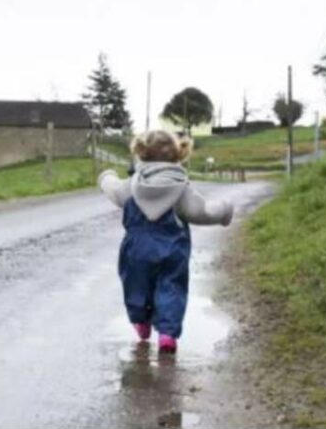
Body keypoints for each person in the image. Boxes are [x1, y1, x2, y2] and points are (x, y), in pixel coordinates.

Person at [98, 129, 234, 353]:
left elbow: (114, 192)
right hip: (173, 249)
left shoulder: (132, 185)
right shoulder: (181, 187)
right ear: (179, 154)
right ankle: (167, 335)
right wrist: (224, 210)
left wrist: (106, 177)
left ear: (141, 152)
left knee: (136, 285)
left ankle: (141, 322)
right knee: (171, 287)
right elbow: (201, 212)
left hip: (137, 249)